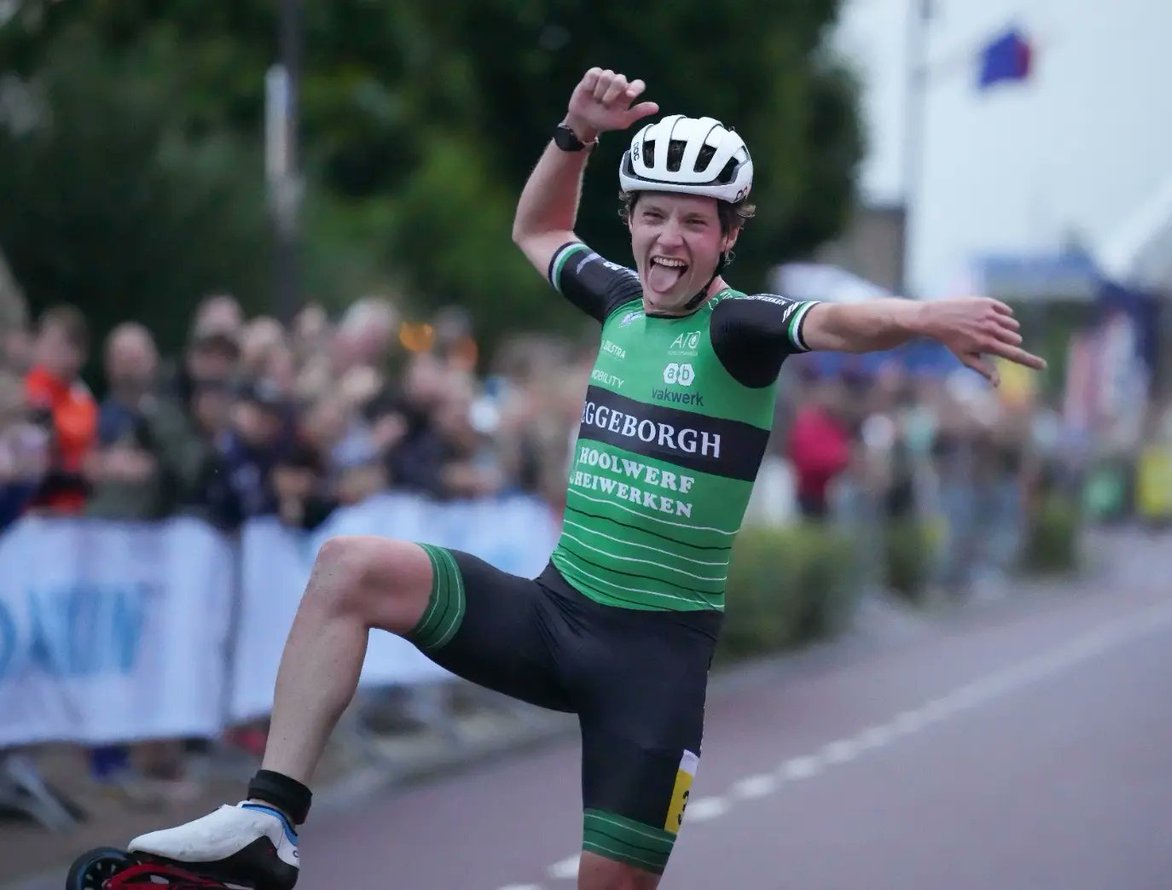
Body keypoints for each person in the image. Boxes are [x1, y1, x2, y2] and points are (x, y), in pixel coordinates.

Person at [125, 68, 1045, 890]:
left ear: (729, 235)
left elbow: (840, 324)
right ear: (632, 221)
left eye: (694, 221)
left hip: (653, 667)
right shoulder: (614, 299)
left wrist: (926, 315)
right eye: (653, 214)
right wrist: (574, 133)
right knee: (348, 569)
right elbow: (536, 227)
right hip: (553, 616)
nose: (669, 240)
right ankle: (268, 822)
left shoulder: (741, 330)